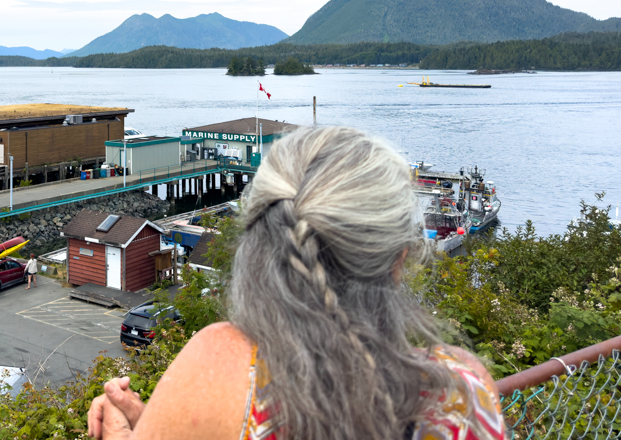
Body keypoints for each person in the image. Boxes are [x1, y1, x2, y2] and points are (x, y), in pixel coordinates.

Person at [87, 126, 506, 440]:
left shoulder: (217, 369)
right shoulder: (461, 394)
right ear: (399, 260)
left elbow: (222, 417)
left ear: (255, 243)